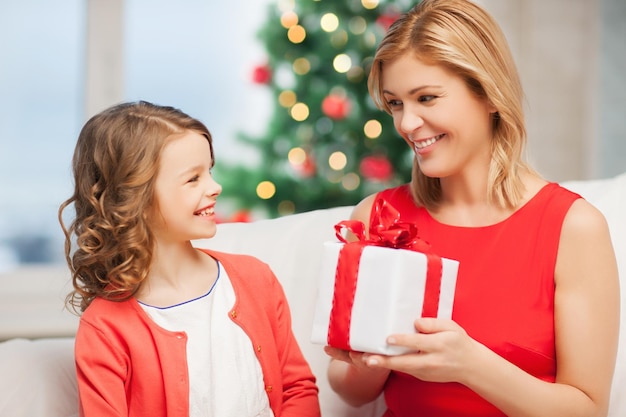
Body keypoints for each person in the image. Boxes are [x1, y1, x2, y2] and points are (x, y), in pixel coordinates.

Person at [324, 0, 620, 416]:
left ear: (490, 95)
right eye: (395, 104)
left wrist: (469, 364)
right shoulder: (378, 217)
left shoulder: (573, 227)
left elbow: (588, 410)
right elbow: (351, 391)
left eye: (426, 98)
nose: (407, 124)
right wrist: (373, 359)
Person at [59, 101, 321, 417]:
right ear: (133, 199)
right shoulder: (104, 328)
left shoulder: (255, 278)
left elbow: (297, 389)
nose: (215, 186)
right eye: (193, 178)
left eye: (209, 171)